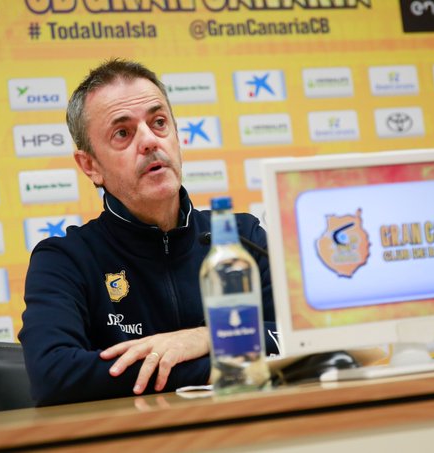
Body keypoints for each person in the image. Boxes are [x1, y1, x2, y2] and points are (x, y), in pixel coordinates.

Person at [19, 58, 278, 406]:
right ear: (90, 165)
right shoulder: (65, 259)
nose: (149, 141)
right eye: (122, 133)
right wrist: (212, 365)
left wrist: (208, 338)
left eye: (159, 123)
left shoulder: (242, 238)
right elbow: (54, 376)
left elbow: (303, 339)